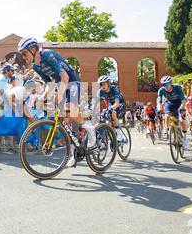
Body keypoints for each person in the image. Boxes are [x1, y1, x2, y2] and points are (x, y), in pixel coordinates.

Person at [18, 37, 95, 168]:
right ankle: (73, 152)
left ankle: (89, 127)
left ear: (33, 49)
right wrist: (42, 97)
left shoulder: (47, 55)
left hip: (71, 82)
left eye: (24, 53)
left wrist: (59, 95)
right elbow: (50, 83)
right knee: (65, 120)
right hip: (60, 84)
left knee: (69, 109)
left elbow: (64, 76)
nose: (24, 57)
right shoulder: (36, 67)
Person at [157, 76, 189, 148]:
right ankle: (168, 131)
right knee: (166, 116)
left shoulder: (177, 87)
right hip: (169, 103)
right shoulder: (161, 90)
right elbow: (159, 101)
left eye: (167, 84)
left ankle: (184, 138)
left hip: (179, 102)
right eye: (164, 85)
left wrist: (182, 108)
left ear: (171, 83)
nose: (166, 86)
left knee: (181, 120)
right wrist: (159, 109)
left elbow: (183, 99)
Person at [97, 75, 127, 142]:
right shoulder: (100, 91)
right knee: (107, 119)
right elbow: (95, 103)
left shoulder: (114, 88)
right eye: (101, 84)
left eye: (104, 84)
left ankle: (119, 134)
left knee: (113, 113)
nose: (102, 86)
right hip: (111, 103)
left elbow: (117, 103)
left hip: (120, 103)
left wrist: (110, 109)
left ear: (108, 83)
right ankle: (111, 136)